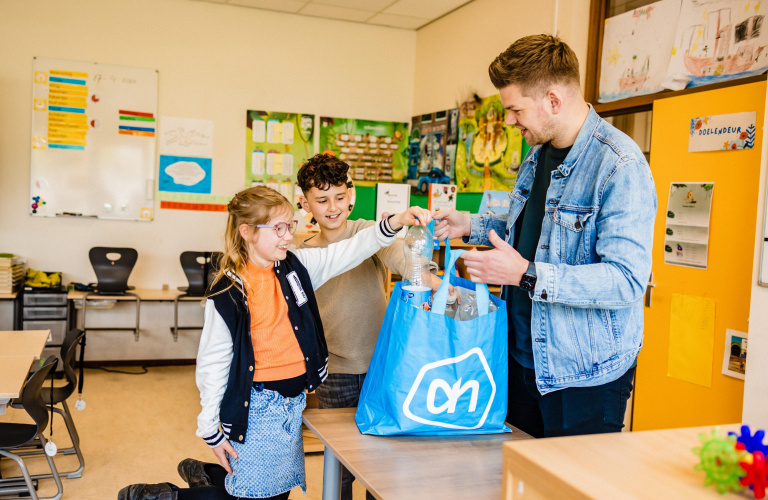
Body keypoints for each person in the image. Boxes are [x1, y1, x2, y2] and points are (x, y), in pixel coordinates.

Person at [119, 186, 431, 500]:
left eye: (290, 226)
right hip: (255, 406)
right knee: (259, 496)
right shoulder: (229, 291)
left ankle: (206, 475)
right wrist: (209, 428)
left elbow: (349, 250)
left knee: (276, 490)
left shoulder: (296, 267)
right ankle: (158, 496)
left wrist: (395, 222)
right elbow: (213, 362)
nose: (287, 235)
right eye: (278, 228)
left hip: (290, 403)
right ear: (248, 231)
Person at [433, 34, 657, 439]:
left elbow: (626, 280)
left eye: (516, 109)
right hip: (521, 361)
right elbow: (535, 233)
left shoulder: (620, 165)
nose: (509, 121)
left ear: (553, 100)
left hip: (584, 377)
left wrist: (525, 275)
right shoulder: (538, 154)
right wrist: (472, 225)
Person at [295, 153, 447, 500]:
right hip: (336, 370)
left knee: (384, 454)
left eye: (339, 196)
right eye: (321, 200)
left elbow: (402, 259)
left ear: (351, 194)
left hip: (385, 364)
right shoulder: (301, 252)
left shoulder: (367, 231)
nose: (332, 207)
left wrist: (433, 279)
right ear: (305, 203)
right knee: (341, 458)